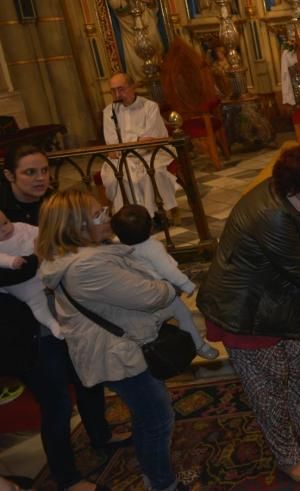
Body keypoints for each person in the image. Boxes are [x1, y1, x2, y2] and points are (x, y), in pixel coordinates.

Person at [197, 145, 300, 485]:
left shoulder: (289, 197)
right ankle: (287, 456)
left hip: (273, 304)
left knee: (294, 365)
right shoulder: (272, 214)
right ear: (294, 186)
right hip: (244, 313)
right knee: (268, 388)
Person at [37, 189, 182, 491]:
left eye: (103, 209)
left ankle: (155, 476)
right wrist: (170, 286)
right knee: (157, 418)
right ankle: (162, 483)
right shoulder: (89, 265)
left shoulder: (80, 257)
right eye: (97, 214)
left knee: (148, 414)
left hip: (115, 348)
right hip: (118, 355)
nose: (107, 216)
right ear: (74, 225)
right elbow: (151, 295)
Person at [0, 145, 126, 491]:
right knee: (55, 398)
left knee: (87, 375)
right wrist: (40, 260)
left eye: (44, 170)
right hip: (22, 322)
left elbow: (71, 239)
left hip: (63, 305)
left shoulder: (52, 203)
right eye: (30, 172)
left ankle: (101, 435)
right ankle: (67, 477)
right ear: (9, 175)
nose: (41, 178)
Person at [110, 204, 218, 360]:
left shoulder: (117, 246)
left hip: (140, 291)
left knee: (153, 321)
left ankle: (147, 349)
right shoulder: (152, 247)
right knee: (184, 315)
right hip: (163, 289)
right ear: (151, 226)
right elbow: (168, 270)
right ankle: (198, 345)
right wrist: (186, 284)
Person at [100, 72, 179, 221]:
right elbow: (112, 143)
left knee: (152, 172)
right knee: (117, 176)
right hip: (121, 157)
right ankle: (129, 218)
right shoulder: (109, 112)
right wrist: (137, 141)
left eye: (121, 89)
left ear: (132, 87)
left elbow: (150, 141)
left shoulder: (149, 107)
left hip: (153, 153)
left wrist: (129, 144)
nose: (117, 94)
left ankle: (154, 214)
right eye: (113, 90)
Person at [0, 210, 61, 338]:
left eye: (5, 223)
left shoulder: (19, 227)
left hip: (40, 268)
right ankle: (51, 323)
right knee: (37, 303)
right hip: (22, 286)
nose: (5, 229)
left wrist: (44, 237)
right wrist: (11, 261)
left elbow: (36, 231)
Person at [105, 0, 164, 78]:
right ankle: (141, 79)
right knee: (136, 57)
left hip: (148, 24)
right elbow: (116, 5)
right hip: (131, 31)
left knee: (155, 47)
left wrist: (149, 1)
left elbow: (152, 3)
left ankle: (158, 73)